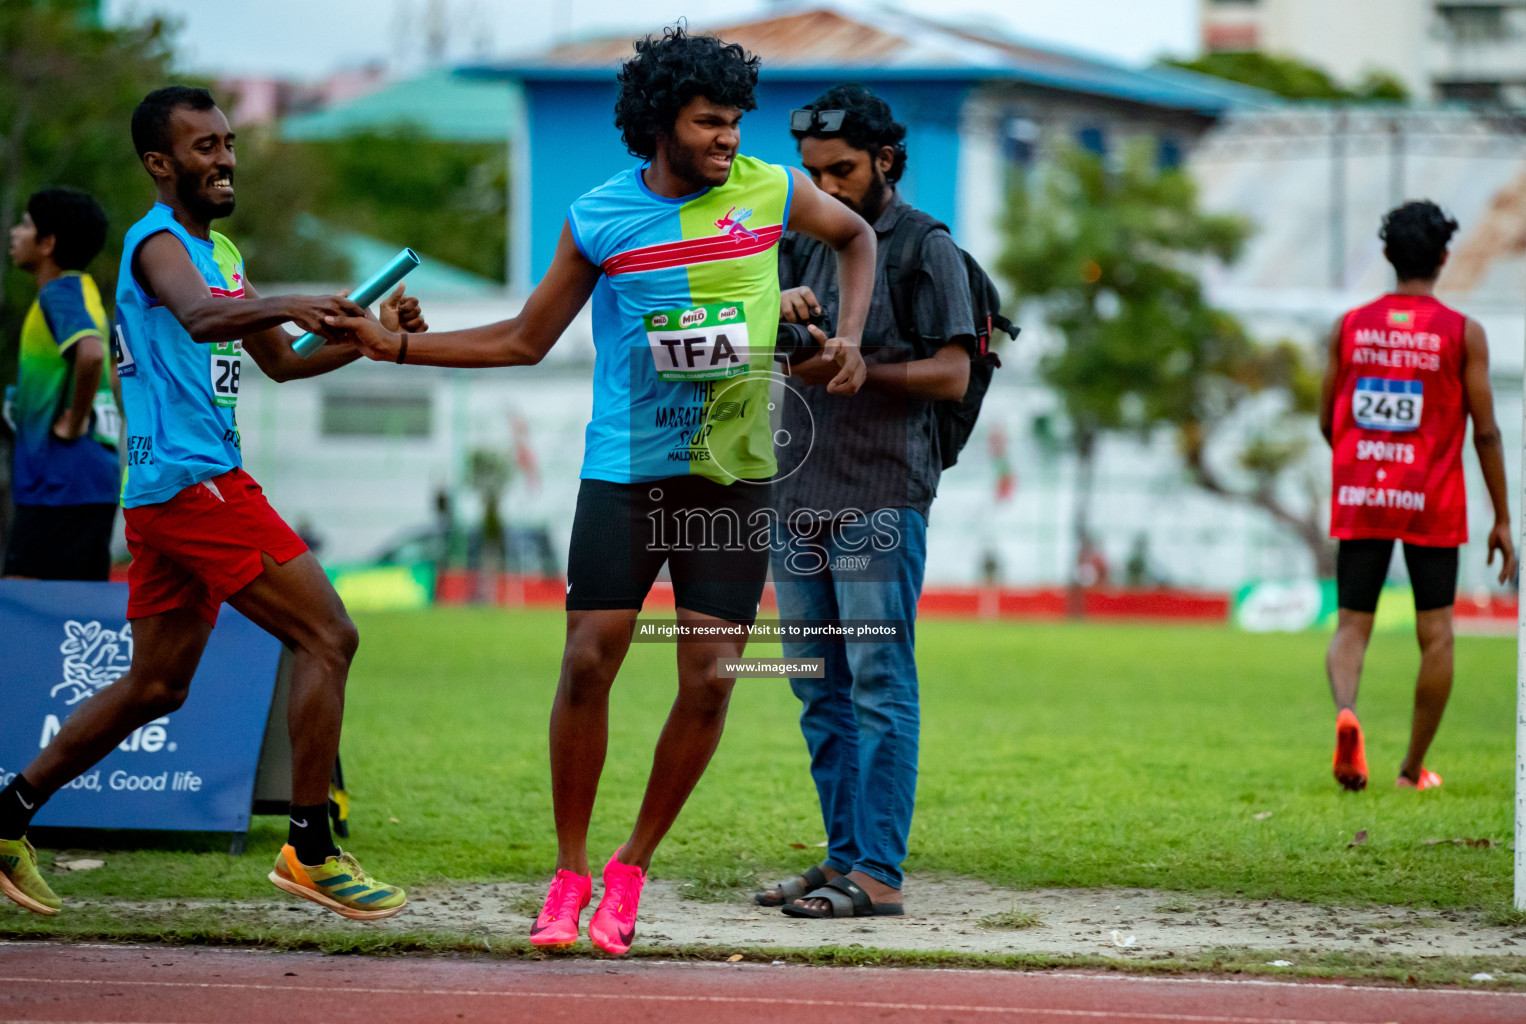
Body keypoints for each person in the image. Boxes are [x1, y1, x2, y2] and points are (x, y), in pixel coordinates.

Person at [328, 28, 876, 955]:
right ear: (662, 122)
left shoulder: (773, 190)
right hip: (626, 469)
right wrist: (401, 347)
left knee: (709, 682)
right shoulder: (600, 218)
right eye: (709, 121)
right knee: (589, 661)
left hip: (733, 476)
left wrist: (852, 336)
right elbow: (522, 338)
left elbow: (855, 236)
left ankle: (630, 870)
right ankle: (569, 871)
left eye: (736, 121)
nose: (728, 139)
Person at [0, 86, 425, 920]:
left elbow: (284, 362)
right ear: (161, 164)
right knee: (329, 635)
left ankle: (6, 816)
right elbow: (198, 317)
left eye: (227, 142)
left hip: (170, 495)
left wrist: (373, 336)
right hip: (196, 486)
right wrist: (292, 301)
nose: (224, 158)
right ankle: (310, 849)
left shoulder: (223, 253)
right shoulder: (156, 242)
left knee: (157, 686)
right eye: (203, 147)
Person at [756, 85, 975, 920]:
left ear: (886, 159)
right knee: (818, 684)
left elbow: (953, 372)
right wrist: (775, 314)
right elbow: (750, 335)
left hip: (883, 491)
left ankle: (878, 871)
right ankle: (843, 854)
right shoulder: (798, 242)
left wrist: (860, 369)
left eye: (841, 170)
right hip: (795, 488)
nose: (826, 188)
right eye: (812, 174)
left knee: (879, 679)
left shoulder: (927, 247)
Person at [1320, 200, 1513, 792]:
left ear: (1386, 255)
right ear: (1445, 258)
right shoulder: (1461, 333)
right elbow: (1484, 430)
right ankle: (1410, 769)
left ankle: (1347, 712)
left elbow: (1329, 419)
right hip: (1430, 495)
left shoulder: (1350, 327)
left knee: (1352, 624)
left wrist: (1362, 461)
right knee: (1437, 634)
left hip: (1363, 490)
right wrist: (1503, 518)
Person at [3, 187, 120, 580]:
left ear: (48, 243)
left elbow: (91, 353)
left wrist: (73, 420)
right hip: (92, 481)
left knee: (21, 603)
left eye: (25, 224)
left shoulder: (59, 294)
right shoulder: (85, 292)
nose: (15, 234)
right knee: (72, 614)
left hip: (58, 484)